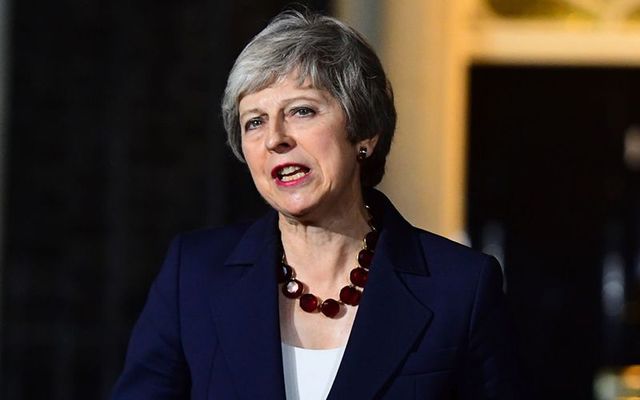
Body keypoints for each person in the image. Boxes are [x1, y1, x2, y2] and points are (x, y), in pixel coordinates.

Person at [112, 9, 523, 400]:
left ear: (364, 131)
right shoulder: (195, 276)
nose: (275, 137)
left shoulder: (459, 289)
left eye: (301, 111)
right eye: (254, 121)